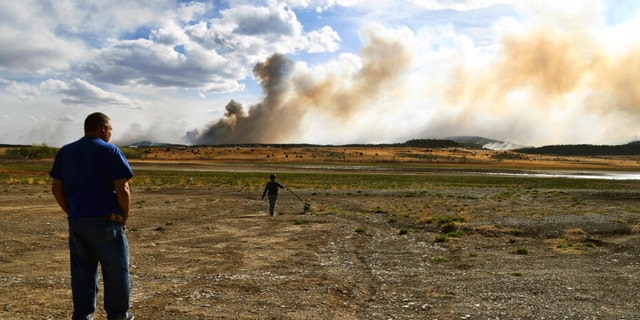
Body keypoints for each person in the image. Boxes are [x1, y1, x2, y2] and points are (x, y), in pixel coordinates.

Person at [50, 112, 135, 320]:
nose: (110, 134)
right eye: (110, 130)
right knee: (116, 272)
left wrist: (72, 211)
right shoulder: (111, 151)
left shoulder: (66, 152)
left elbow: (56, 188)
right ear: (103, 129)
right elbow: (122, 188)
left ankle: (82, 315)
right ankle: (117, 315)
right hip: (106, 222)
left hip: (78, 222)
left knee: (82, 274)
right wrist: (124, 216)